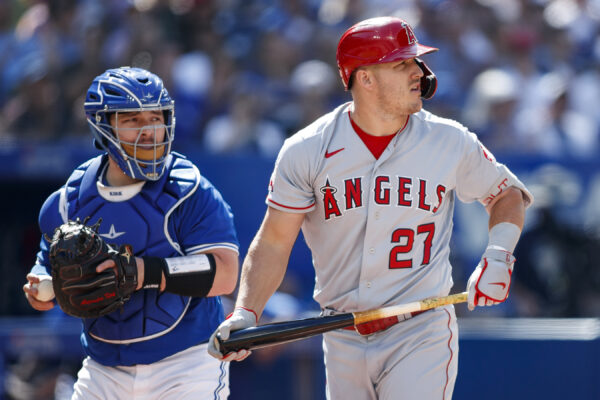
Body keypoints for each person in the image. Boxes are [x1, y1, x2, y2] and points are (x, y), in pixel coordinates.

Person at [208, 17, 533, 400]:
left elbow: (507, 194)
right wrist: (246, 311)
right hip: (341, 331)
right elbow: (275, 241)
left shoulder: (448, 140)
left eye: (416, 62)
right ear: (365, 79)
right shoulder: (307, 150)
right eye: (402, 65)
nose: (419, 73)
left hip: (420, 328)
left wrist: (498, 255)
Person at [23, 67, 239, 399]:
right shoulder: (70, 199)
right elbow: (46, 262)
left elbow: (225, 274)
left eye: (156, 118)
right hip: (104, 369)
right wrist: (42, 287)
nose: (149, 131)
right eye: (133, 121)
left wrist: (142, 272)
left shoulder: (188, 190)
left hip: (187, 364)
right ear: (104, 125)